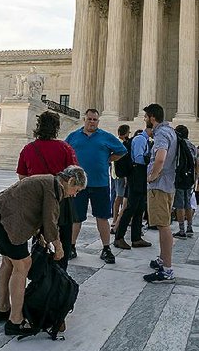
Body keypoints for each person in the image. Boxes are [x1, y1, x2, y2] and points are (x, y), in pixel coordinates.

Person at [0, 166, 87, 335]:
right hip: (10, 223)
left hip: (0, 216)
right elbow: (50, 220)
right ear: (71, 181)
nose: (74, 194)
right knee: (23, 265)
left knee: (8, 262)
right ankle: (15, 321)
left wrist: (40, 234)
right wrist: (58, 246)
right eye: (76, 190)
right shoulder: (55, 188)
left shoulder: (48, 180)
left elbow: (32, 207)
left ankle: (3, 309)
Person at [16, 111, 78, 269]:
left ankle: (40, 276)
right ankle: (60, 276)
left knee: (40, 242)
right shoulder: (65, 148)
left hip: (37, 203)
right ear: (56, 128)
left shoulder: (28, 149)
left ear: (38, 126)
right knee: (63, 240)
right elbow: (74, 176)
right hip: (61, 201)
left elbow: (22, 176)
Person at [64, 109, 127, 264]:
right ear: (84, 119)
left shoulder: (106, 136)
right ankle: (71, 247)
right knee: (76, 218)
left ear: (98, 121)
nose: (92, 122)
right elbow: (65, 152)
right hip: (78, 185)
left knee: (102, 217)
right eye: (89, 119)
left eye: (95, 120)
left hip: (100, 183)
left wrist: (108, 158)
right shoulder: (73, 136)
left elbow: (122, 151)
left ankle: (106, 248)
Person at [142, 103, 178, 283]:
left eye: (146, 117)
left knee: (163, 226)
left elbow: (161, 157)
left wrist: (151, 176)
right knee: (164, 224)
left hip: (160, 185)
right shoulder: (171, 131)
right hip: (168, 184)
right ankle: (163, 260)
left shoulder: (162, 134)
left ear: (152, 117)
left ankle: (167, 270)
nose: (145, 120)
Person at [112, 126, 153, 250]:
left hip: (140, 176)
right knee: (130, 208)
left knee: (139, 208)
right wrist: (151, 159)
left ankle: (136, 238)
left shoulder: (144, 139)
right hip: (136, 175)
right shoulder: (140, 139)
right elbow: (138, 158)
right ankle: (119, 238)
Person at [172, 125, 197, 239]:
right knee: (188, 203)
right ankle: (190, 228)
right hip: (190, 177)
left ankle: (181, 230)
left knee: (179, 205)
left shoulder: (179, 146)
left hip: (180, 178)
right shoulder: (192, 146)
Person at [110, 124, 131, 233]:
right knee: (120, 196)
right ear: (126, 133)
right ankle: (115, 219)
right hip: (120, 174)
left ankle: (115, 218)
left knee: (117, 196)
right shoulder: (122, 144)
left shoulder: (115, 142)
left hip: (114, 173)